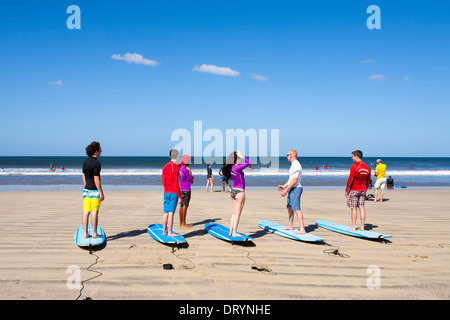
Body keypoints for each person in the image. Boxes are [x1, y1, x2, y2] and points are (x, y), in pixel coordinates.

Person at [221, 151, 252, 237]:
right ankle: (234, 232)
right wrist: (242, 156)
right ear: (237, 159)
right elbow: (249, 162)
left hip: (233, 191)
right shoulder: (237, 168)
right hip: (239, 192)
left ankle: (231, 231)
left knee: (234, 213)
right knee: (237, 214)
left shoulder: (232, 168)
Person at [278, 150, 306, 234]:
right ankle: (290, 225)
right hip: (292, 188)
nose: (286, 157)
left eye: (287, 155)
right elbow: (291, 179)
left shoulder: (297, 165)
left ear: (291, 155)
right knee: (289, 207)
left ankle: (302, 229)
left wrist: (286, 190)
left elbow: (294, 180)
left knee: (296, 208)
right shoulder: (293, 165)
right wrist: (284, 186)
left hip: (296, 189)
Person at [82, 141, 105, 239]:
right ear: (96, 151)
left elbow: (83, 176)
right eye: (100, 149)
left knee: (86, 212)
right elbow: (96, 178)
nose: (101, 151)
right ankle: (94, 234)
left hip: (86, 190)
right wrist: (101, 192)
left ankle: (85, 234)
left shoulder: (85, 162)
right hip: (94, 191)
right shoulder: (97, 163)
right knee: (94, 211)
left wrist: (86, 186)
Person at [345, 150, 371, 231]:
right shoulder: (367, 167)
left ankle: (353, 227)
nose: (352, 158)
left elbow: (350, 179)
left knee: (354, 208)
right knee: (362, 207)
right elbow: (369, 180)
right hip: (363, 189)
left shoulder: (354, 166)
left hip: (355, 189)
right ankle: (362, 227)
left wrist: (347, 190)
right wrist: (365, 188)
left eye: (352, 156)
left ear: (356, 156)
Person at [162, 149, 184, 236]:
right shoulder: (175, 168)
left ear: (170, 156)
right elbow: (176, 182)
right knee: (171, 213)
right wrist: (179, 196)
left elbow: (163, 180)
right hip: (174, 192)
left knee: (165, 212)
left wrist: (166, 189)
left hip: (166, 192)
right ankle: (170, 232)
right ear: (177, 156)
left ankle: (164, 231)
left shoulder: (165, 166)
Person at [179, 155, 193, 228]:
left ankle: (181, 222)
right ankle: (183, 223)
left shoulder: (180, 168)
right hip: (186, 189)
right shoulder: (185, 169)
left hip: (181, 188)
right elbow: (191, 180)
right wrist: (190, 173)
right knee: (185, 205)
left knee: (181, 205)